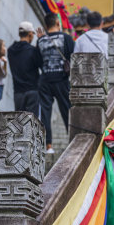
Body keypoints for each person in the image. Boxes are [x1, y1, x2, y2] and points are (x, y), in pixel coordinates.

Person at [35, 12, 75, 153]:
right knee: (67, 110)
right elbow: (73, 57)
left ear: (46, 26)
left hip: (45, 79)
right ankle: (72, 141)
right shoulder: (66, 38)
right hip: (62, 79)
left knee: (45, 112)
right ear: (58, 23)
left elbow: (38, 61)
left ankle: (48, 146)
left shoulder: (40, 40)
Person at [7, 21, 41, 117]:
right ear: (30, 34)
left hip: (18, 92)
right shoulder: (33, 50)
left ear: (19, 34)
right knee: (31, 122)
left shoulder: (10, 50)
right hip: (32, 90)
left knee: (19, 123)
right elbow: (40, 63)